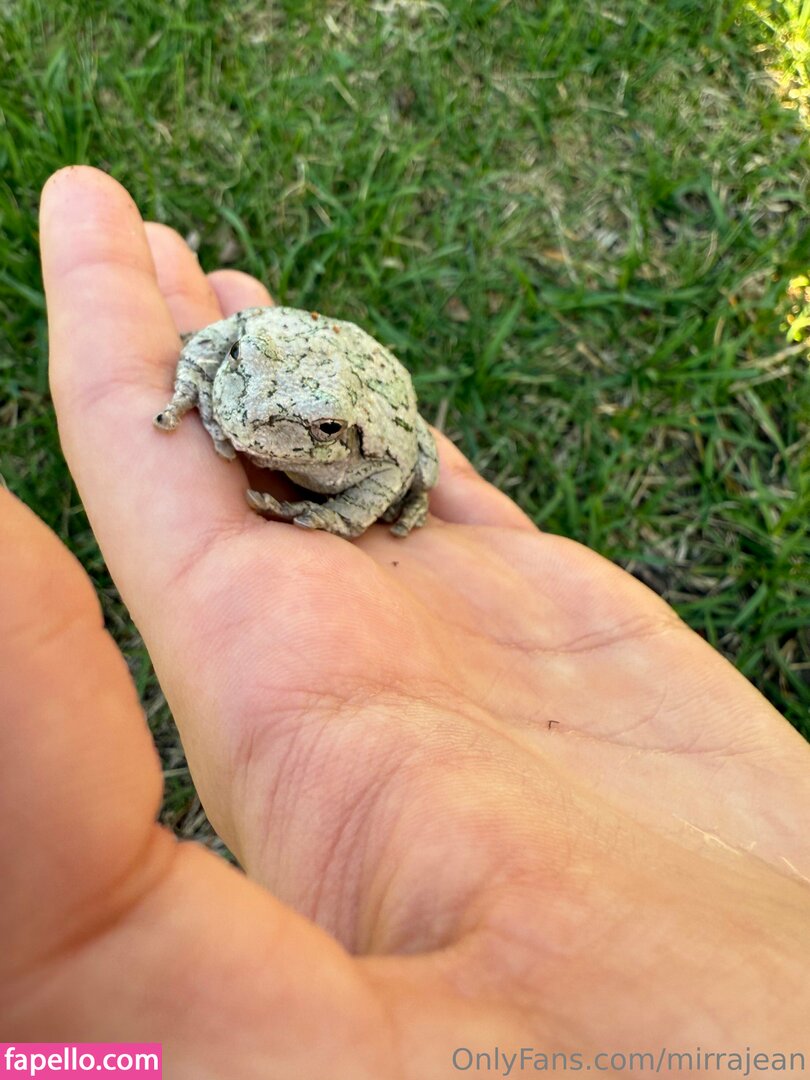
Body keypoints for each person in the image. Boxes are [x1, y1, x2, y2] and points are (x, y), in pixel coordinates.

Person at [1, 166, 808, 1077]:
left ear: (330, 437)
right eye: (251, 393)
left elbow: (392, 470)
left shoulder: (358, 448)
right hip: (297, 348)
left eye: (302, 429)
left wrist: (327, 515)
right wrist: (198, 380)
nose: (259, 420)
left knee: (417, 473)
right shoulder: (255, 362)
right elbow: (232, 335)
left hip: (374, 411)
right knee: (245, 360)